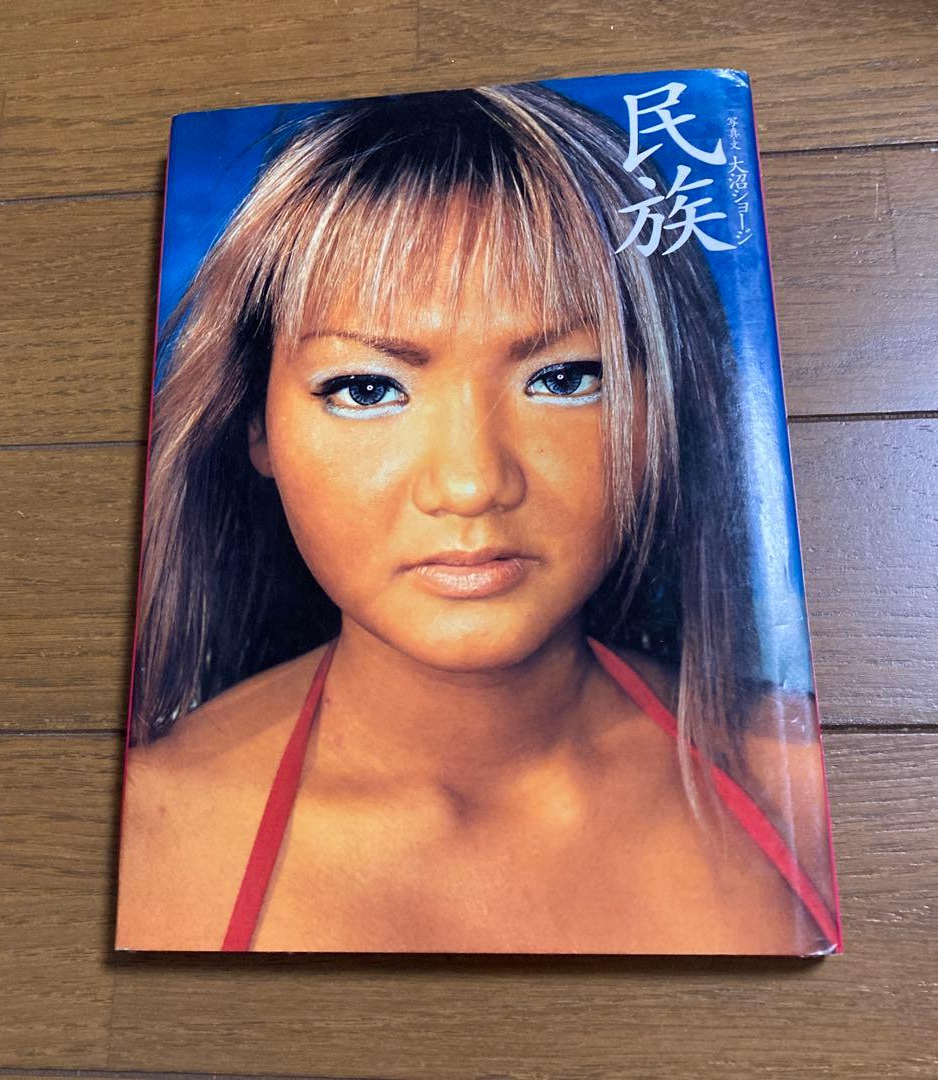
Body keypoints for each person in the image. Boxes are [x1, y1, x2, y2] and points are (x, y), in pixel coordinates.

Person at [115, 84, 839, 954]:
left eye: (564, 379)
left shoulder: (804, 783)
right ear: (254, 426)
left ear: (667, 408)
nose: (470, 485)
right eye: (367, 388)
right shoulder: (151, 836)